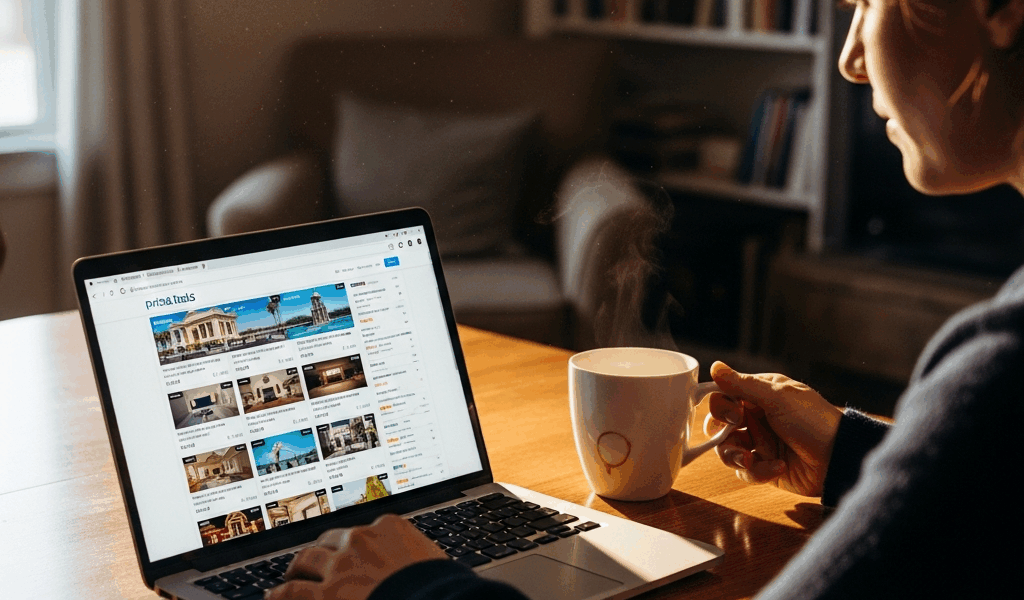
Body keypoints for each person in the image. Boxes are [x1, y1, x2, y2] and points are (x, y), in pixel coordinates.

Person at [266, 0, 1024, 598]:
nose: (851, 61)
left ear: (999, 7)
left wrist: (416, 587)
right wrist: (858, 456)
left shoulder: (1002, 365)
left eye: (866, 2)